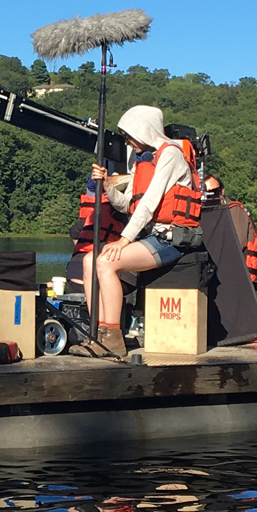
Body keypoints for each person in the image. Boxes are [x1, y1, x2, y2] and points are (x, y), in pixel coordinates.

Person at [72, 104, 202, 358]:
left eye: (130, 135)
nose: (127, 141)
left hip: (172, 239)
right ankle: (97, 333)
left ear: (145, 131)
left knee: (106, 263)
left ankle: (113, 337)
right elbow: (127, 204)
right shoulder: (140, 160)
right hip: (149, 237)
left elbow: (150, 202)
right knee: (89, 261)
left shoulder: (171, 154)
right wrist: (108, 185)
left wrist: (123, 240)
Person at [202, 174, 257, 287]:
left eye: (214, 191)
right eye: (206, 193)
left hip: (236, 274)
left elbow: (236, 243)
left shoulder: (234, 210)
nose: (211, 196)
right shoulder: (206, 212)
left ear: (222, 191)